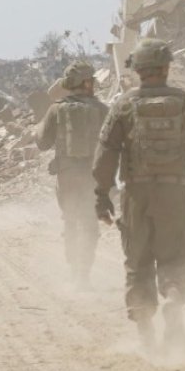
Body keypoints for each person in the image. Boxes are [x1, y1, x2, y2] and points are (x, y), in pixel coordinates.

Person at [93, 38, 185, 341]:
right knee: (173, 257)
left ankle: (145, 330)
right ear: (166, 67)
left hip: (136, 195)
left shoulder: (124, 104)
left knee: (138, 262)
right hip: (174, 193)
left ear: (137, 70)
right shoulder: (184, 102)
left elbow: (106, 152)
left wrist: (102, 196)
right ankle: (172, 297)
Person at [37, 60, 108, 283]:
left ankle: (73, 266)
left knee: (70, 219)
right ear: (87, 83)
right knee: (89, 222)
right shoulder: (102, 109)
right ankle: (83, 273)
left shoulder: (56, 108)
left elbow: (42, 143)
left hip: (66, 175)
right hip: (92, 176)